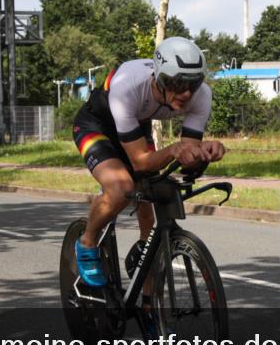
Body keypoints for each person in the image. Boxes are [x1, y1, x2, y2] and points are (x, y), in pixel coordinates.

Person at [71, 36, 226, 287]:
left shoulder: (201, 95)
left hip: (134, 128)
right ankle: (87, 242)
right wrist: (176, 148)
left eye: (194, 83)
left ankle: (147, 278)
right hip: (96, 126)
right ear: (160, 78)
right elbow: (141, 162)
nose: (186, 93)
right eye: (177, 83)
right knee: (122, 188)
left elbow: (186, 159)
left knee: (156, 192)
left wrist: (203, 152)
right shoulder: (128, 85)